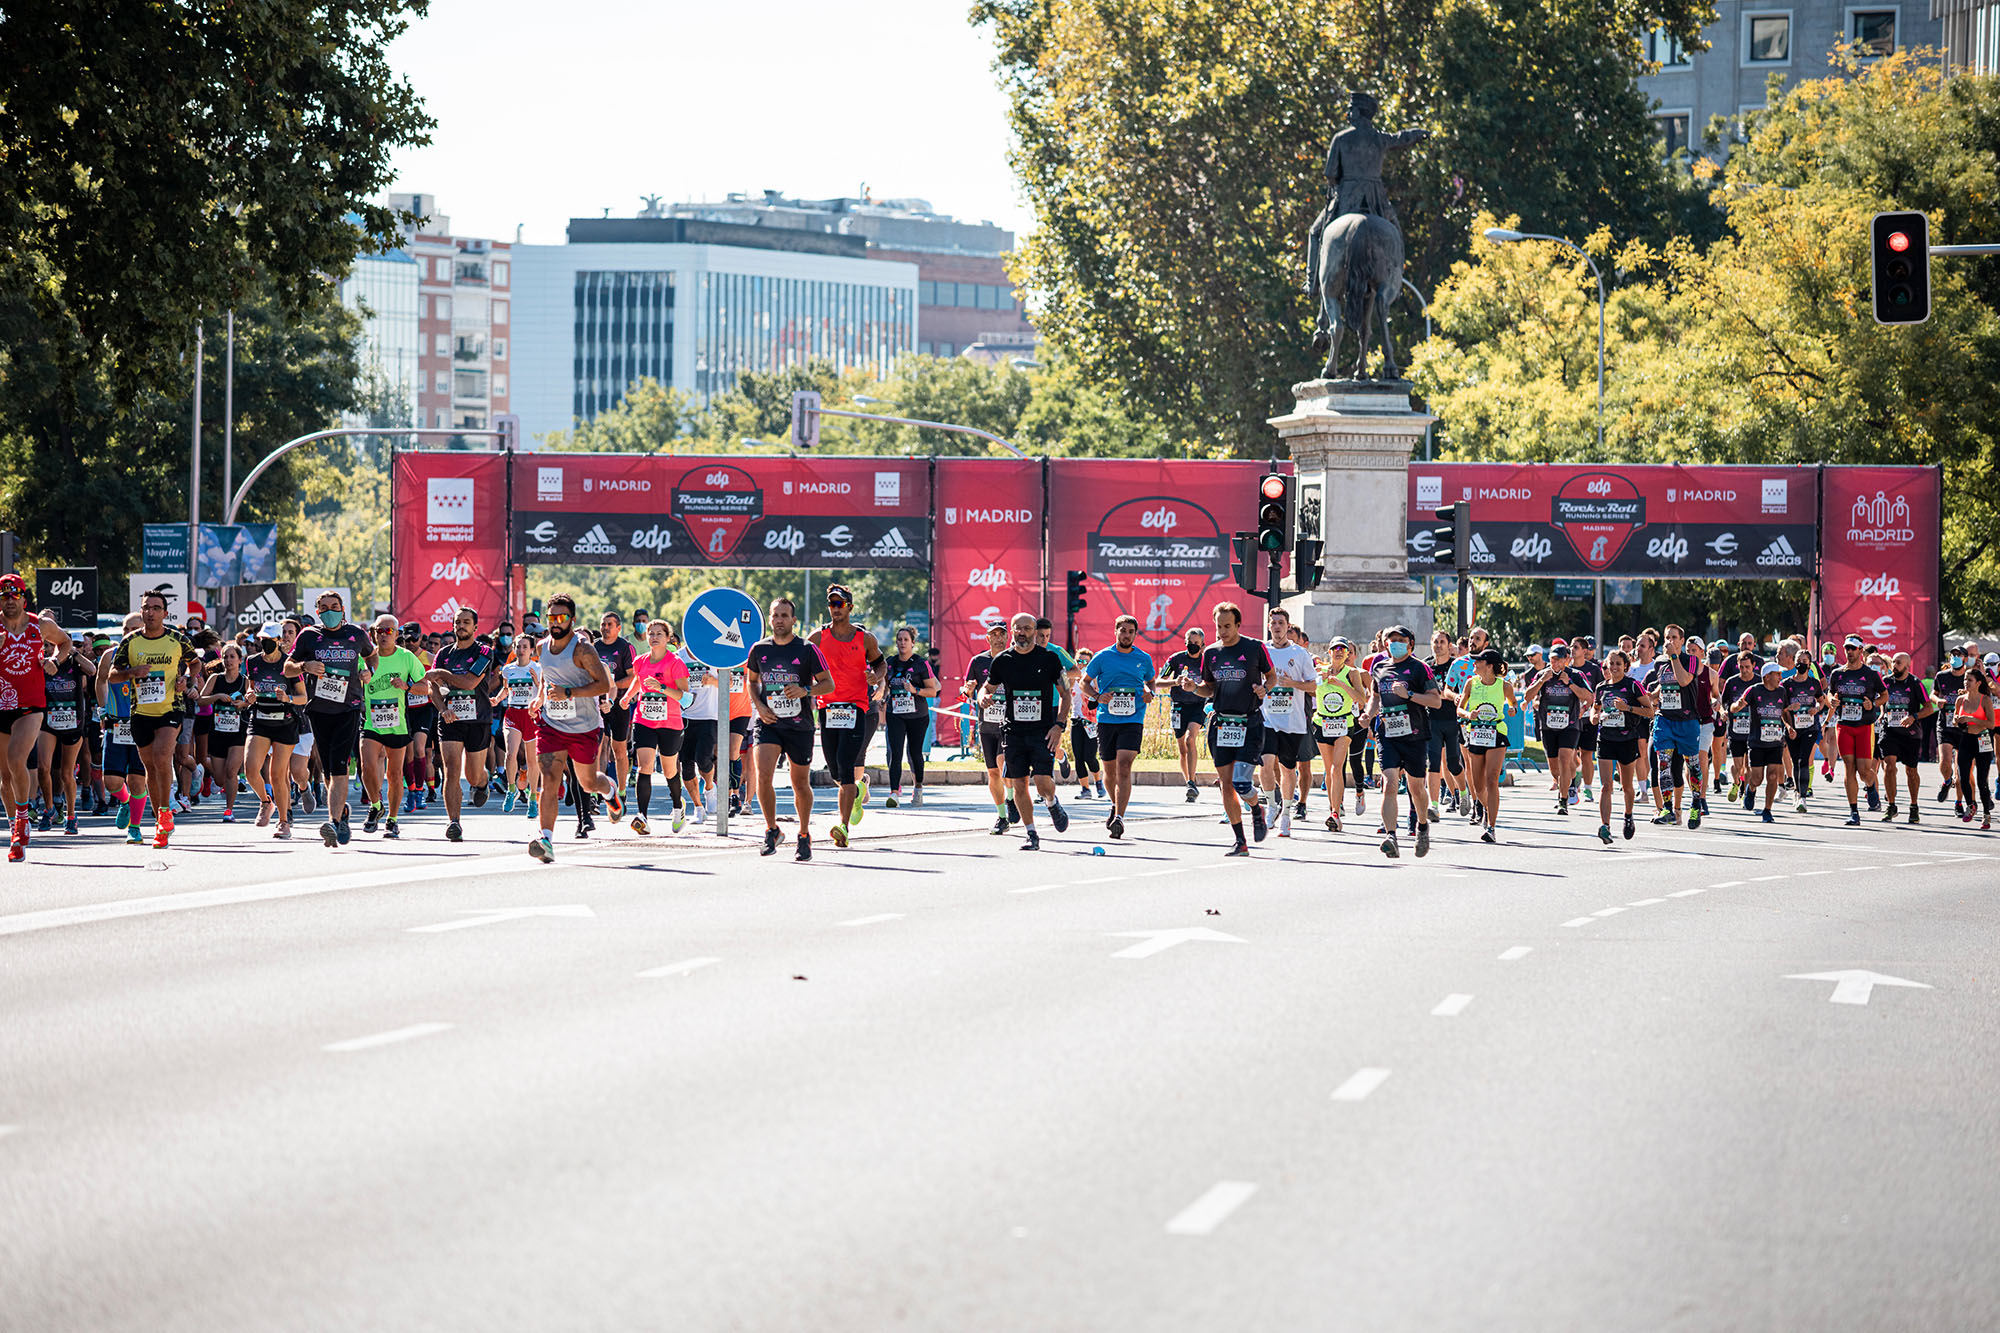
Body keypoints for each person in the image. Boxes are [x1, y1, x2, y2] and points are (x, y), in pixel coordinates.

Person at [528, 594, 620, 863]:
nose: (556, 622)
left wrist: (570, 692)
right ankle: (546, 840)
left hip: (584, 726)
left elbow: (603, 685)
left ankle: (610, 791)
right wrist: (540, 698)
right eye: (552, 617)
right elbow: (548, 677)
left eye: (562, 617)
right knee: (549, 779)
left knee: (588, 783)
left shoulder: (583, 649)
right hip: (551, 725)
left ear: (572, 620)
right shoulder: (542, 646)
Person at [1178, 602, 1274, 855]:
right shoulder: (1211, 653)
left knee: (1242, 782)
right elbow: (1209, 688)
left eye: (1228, 626)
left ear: (1238, 625)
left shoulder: (1254, 648)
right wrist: (1194, 688)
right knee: (1226, 784)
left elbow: (1271, 675)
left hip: (1249, 722)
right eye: (1219, 626)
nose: (1223, 631)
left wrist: (1266, 688)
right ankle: (1240, 840)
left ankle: (1256, 808)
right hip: (1221, 724)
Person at [285, 589, 376, 848]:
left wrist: (369, 671)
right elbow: (287, 668)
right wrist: (305, 667)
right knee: (327, 769)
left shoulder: (357, 634)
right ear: (318, 612)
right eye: (324, 608)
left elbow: (372, 655)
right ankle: (341, 813)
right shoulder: (309, 636)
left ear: (343, 609)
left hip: (348, 708)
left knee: (338, 769)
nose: (329, 611)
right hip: (318, 709)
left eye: (334, 606)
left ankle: (333, 823)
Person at [746, 597, 833, 861]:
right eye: (775, 615)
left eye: (784, 615)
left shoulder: (807, 649)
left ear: (793, 620)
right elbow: (752, 682)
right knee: (763, 776)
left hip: (799, 725)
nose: (779, 620)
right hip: (769, 722)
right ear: (770, 619)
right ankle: (772, 830)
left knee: (800, 783)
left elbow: (828, 684)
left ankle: (804, 835)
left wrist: (805, 690)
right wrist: (759, 707)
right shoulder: (759, 649)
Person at [103, 590, 191, 851]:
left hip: (171, 709)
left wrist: (187, 679)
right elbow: (112, 675)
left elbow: (195, 663)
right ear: (141, 612)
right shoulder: (130, 642)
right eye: (146, 607)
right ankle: (160, 819)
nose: (150, 612)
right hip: (140, 713)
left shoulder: (177, 638)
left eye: (156, 607)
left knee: (163, 756)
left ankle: (164, 814)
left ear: (165, 613)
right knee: (151, 769)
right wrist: (132, 672)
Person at [980, 611, 1072, 852]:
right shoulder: (1002, 660)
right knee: (1019, 783)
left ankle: (1052, 802)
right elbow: (986, 687)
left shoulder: (1049, 659)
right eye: (1017, 628)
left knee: (1042, 783)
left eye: (1027, 628)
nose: (1022, 633)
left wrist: (1059, 726)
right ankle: (1032, 834)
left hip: (1042, 731)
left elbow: (1066, 694)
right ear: (1012, 631)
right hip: (1013, 731)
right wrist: (982, 697)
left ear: (1034, 632)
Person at [809, 584, 886, 850]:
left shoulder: (865, 639)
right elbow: (803, 662)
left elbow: (879, 662)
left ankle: (843, 826)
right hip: (828, 708)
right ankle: (856, 791)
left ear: (850, 607)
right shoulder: (818, 637)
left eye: (840, 604)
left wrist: (877, 677)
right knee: (836, 772)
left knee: (846, 765)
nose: (835, 609)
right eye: (831, 604)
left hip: (856, 708)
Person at [424, 606, 499, 843]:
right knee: (451, 771)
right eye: (458, 622)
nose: (461, 626)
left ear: (475, 627)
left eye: (466, 622)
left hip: (478, 719)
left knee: (472, 775)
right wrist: (443, 708)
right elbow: (432, 688)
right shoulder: (444, 653)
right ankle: (454, 822)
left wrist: (441, 674)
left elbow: (469, 682)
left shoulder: (484, 652)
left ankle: (483, 781)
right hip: (450, 720)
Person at [1366, 623, 1440, 858]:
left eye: (1400, 639)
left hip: (1415, 735)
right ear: (1385, 643)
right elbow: (1375, 697)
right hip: (1387, 734)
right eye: (1391, 639)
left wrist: (1408, 695)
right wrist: (1367, 714)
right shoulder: (1379, 667)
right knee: (1388, 783)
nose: (1395, 643)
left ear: (1410, 643)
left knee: (1416, 787)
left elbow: (1436, 701)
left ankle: (1422, 826)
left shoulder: (1420, 668)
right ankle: (1391, 835)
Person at [1082, 614, 1156, 840]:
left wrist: (1150, 693)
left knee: (1124, 766)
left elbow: (1151, 681)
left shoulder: (1143, 658)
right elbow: (1085, 683)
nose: (1126, 635)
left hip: (1133, 718)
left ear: (1135, 634)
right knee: (1110, 770)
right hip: (1107, 719)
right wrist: (1098, 696)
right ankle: (1115, 805)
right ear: (1116, 631)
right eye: (1122, 631)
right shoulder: (1103, 657)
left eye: (1130, 632)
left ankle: (1120, 818)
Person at [619, 618, 691, 835]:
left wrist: (661, 687)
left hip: (670, 722)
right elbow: (638, 681)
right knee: (644, 767)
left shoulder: (675, 662)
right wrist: (627, 697)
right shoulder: (640, 661)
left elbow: (686, 698)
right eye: (651, 633)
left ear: (668, 638)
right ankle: (642, 816)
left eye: (659, 633)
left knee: (670, 771)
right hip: (644, 720)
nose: (654, 637)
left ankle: (678, 807)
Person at [358, 615, 424, 838]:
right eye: (379, 631)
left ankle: (393, 819)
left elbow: (426, 687)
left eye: (388, 631)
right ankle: (376, 805)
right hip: (372, 723)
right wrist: (361, 676)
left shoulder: (406, 658)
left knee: (394, 774)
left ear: (397, 634)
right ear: (373, 633)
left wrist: (407, 686)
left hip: (397, 724)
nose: (383, 635)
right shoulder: (364, 658)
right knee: (367, 766)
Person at [244, 622, 305, 837]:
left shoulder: (290, 665)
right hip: (259, 719)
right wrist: (249, 695)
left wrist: (287, 698)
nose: (265, 644)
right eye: (262, 640)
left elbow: (303, 697)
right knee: (250, 769)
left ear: (279, 641)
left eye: (270, 640)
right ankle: (265, 801)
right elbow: (250, 687)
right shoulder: (252, 661)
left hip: (285, 722)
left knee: (277, 774)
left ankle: (283, 821)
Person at [1259, 608, 1316, 837]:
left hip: (1292, 721)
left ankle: (1286, 815)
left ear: (1288, 626)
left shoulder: (1300, 653)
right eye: (1273, 623)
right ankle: (1272, 806)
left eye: (1281, 622)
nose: (1277, 627)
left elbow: (1313, 686)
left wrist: (1293, 683)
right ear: (1268, 626)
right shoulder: (1262, 651)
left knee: (1287, 768)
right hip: (1267, 718)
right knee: (1265, 762)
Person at [35, 622, 95, 836]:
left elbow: (92, 670)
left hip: (73, 722)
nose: (49, 649)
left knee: (67, 773)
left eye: (52, 645)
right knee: (44, 768)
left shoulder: (73, 661)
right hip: (47, 721)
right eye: (46, 645)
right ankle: (49, 809)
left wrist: (74, 652)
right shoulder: (39, 662)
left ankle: (71, 815)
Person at [1592, 648, 1655, 843]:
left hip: (1627, 739)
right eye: (1611, 664)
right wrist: (1596, 717)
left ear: (1626, 666)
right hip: (1606, 739)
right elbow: (1594, 713)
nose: (1614, 667)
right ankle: (1605, 826)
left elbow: (1649, 712)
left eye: (1618, 664)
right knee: (1606, 786)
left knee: (1627, 786)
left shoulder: (1633, 685)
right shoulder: (1601, 688)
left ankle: (1628, 816)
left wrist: (1626, 708)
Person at [1523, 642, 1593, 817]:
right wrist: (1541, 681)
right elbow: (1527, 696)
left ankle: (1563, 801)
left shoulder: (1576, 675)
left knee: (1564, 759)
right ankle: (1569, 781)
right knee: (1555, 769)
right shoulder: (1542, 675)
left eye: (1559, 660)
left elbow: (1589, 696)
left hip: (1569, 725)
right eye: (1552, 660)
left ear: (1567, 660)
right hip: (1548, 726)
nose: (1555, 663)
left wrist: (1570, 685)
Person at [1645, 625, 1702, 828]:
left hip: (1687, 721)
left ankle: (1696, 803)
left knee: (1692, 764)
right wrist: (1650, 696)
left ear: (1681, 640)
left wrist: (1674, 657)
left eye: (1674, 637)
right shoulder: (1661, 663)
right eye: (1667, 637)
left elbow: (1684, 680)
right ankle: (1667, 807)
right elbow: (1664, 683)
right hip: (1665, 719)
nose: (1669, 640)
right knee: (1663, 763)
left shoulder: (1691, 660)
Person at [1458, 647, 1515, 843]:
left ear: (1489, 666)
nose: (1474, 664)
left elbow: (1513, 703)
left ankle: (1491, 826)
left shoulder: (1504, 685)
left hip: (1497, 732)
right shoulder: (1470, 684)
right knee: (1478, 784)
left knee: (1491, 779)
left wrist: (1514, 709)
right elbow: (1459, 708)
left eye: (1478, 661)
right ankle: (1489, 809)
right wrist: (1468, 715)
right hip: (1476, 733)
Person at [1727, 660, 1796, 822]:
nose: (1780, 677)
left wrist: (1789, 727)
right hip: (1757, 741)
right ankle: (1751, 789)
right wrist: (1736, 706)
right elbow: (1735, 707)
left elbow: (1784, 712)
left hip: (1775, 742)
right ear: (1767, 676)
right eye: (1777, 674)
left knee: (1772, 776)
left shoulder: (1781, 691)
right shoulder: (1754, 690)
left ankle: (1767, 810)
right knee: (1757, 778)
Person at [1311, 637, 1368, 833]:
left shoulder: (1352, 673)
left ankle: (1335, 812)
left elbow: (1361, 700)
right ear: (1329, 651)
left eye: (1343, 649)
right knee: (1329, 770)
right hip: (1322, 722)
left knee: (1337, 768)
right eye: (1335, 648)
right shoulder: (1320, 671)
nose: (1338, 652)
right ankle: (1333, 807)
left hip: (1344, 723)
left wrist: (1340, 684)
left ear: (1347, 654)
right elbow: (1310, 688)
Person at [1827, 634, 1886, 826]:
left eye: (1853, 648)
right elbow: (1830, 693)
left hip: (1864, 727)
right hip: (1844, 725)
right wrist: (1832, 701)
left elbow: (1885, 695)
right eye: (1847, 648)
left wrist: (1874, 704)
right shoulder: (1838, 674)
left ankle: (1871, 786)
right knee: (1849, 768)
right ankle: (1854, 811)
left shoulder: (1871, 674)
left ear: (1861, 651)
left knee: (1863, 771)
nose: (1849, 652)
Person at [963, 621, 1015, 834]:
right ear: (987, 638)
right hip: (987, 725)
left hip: (1009, 724)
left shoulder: (1015, 659)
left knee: (1004, 764)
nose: (998, 638)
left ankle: (1011, 798)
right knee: (993, 773)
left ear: (1007, 636)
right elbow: (967, 692)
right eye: (994, 635)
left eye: (1002, 634)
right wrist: (969, 689)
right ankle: (1002, 816)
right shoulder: (978, 662)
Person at [881, 626, 938, 808]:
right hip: (895, 714)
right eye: (899, 640)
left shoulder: (921, 664)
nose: (902, 643)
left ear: (913, 643)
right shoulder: (889, 663)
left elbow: (933, 691)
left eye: (906, 640)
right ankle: (894, 792)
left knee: (914, 753)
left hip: (917, 716)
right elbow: (884, 684)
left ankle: (918, 788)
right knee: (894, 752)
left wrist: (916, 690)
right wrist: (882, 694)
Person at [1876, 651, 1935, 824]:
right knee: (1889, 765)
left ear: (1907, 666)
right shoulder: (1886, 681)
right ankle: (1891, 806)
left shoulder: (1915, 683)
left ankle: (1914, 806)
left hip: (1910, 733)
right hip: (1889, 731)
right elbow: (1882, 700)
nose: (1895, 665)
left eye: (1899, 663)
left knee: (1911, 771)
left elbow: (1929, 708)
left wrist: (1914, 717)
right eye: (1894, 662)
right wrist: (1882, 713)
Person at [196, 642, 251, 824]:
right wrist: (217, 697)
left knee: (231, 772)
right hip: (218, 732)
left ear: (240, 660)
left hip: (238, 732)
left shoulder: (245, 681)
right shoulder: (215, 679)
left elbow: (253, 701)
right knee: (220, 780)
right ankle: (213, 783)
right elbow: (201, 701)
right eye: (225, 657)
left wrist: (243, 704)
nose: (228, 660)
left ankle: (229, 810)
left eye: (232, 657)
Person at [595, 611, 637, 821]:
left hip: (620, 703)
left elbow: (632, 677)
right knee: (597, 748)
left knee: (619, 749)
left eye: (610, 624)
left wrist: (612, 686)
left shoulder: (624, 647)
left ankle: (621, 791)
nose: (605, 628)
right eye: (603, 624)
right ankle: (597, 793)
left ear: (618, 627)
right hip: (597, 703)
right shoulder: (594, 647)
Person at [497, 632, 541, 816]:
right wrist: (497, 698)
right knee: (511, 753)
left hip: (530, 714)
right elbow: (506, 689)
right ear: (514, 649)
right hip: (513, 713)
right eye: (518, 646)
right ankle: (511, 789)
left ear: (531, 650)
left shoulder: (538, 668)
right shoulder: (507, 669)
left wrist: (536, 681)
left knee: (532, 760)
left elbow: (542, 692)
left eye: (525, 647)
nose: (521, 650)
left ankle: (532, 799)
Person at [1162, 627, 1207, 803]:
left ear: (1203, 645)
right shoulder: (1176, 659)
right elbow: (1159, 681)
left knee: (1190, 739)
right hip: (1179, 705)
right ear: (1185, 642)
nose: (1193, 645)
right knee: (1182, 747)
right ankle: (1188, 781)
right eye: (1190, 642)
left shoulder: (1207, 661)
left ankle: (1191, 782)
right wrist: (1175, 681)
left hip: (1198, 705)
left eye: (1197, 643)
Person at [1951, 659, 1994, 829]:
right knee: (1962, 776)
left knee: (1982, 780)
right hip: (1966, 739)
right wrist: (1957, 720)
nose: (1966, 683)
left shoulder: (1985, 700)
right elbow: (1955, 718)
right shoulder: (1960, 700)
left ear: (1978, 683)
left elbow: (1991, 724)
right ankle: (1971, 805)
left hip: (1983, 740)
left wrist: (1971, 719)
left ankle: (1986, 814)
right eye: (1965, 680)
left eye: (1969, 680)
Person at [1935, 643, 1974, 813]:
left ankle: (1959, 803)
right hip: (1945, 724)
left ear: (1965, 658)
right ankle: (1946, 780)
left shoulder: (1970, 677)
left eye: (1959, 655)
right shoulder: (1941, 676)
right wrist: (1937, 701)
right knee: (1944, 763)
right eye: (1953, 654)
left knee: (1961, 770)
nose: (1955, 658)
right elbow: (1933, 694)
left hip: (1965, 727)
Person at [1068, 649, 1103, 801]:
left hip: (1091, 722)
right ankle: (1085, 789)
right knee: (1078, 757)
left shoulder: (1093, 679)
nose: (1082, 665)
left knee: (1090, 756)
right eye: (1079, 661)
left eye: (1085, 662)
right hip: (1076, 719)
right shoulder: (1072, 680)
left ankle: (1098, 782)